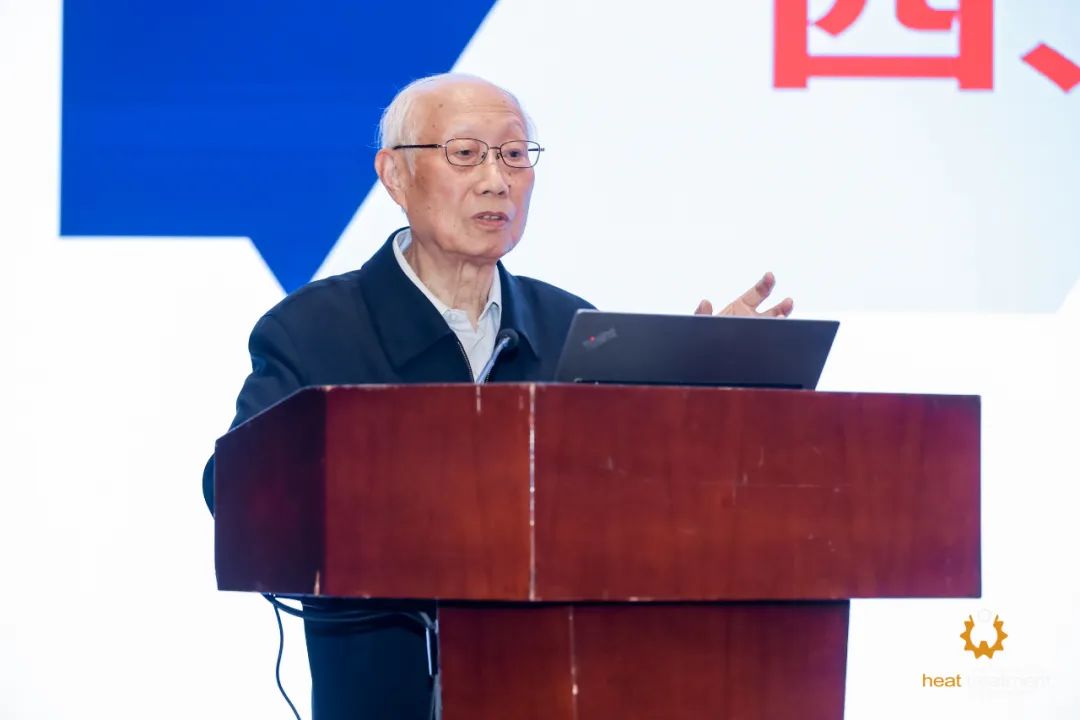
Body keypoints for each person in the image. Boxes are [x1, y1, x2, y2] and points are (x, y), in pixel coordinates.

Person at [203, 72, 793, 720]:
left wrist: (698, 392)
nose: (496, 180)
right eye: (465, 154)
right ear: (395, 175)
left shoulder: (574, 330)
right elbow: (234, 490)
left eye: (513, 155)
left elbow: (638, 502)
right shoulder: (314, 330)